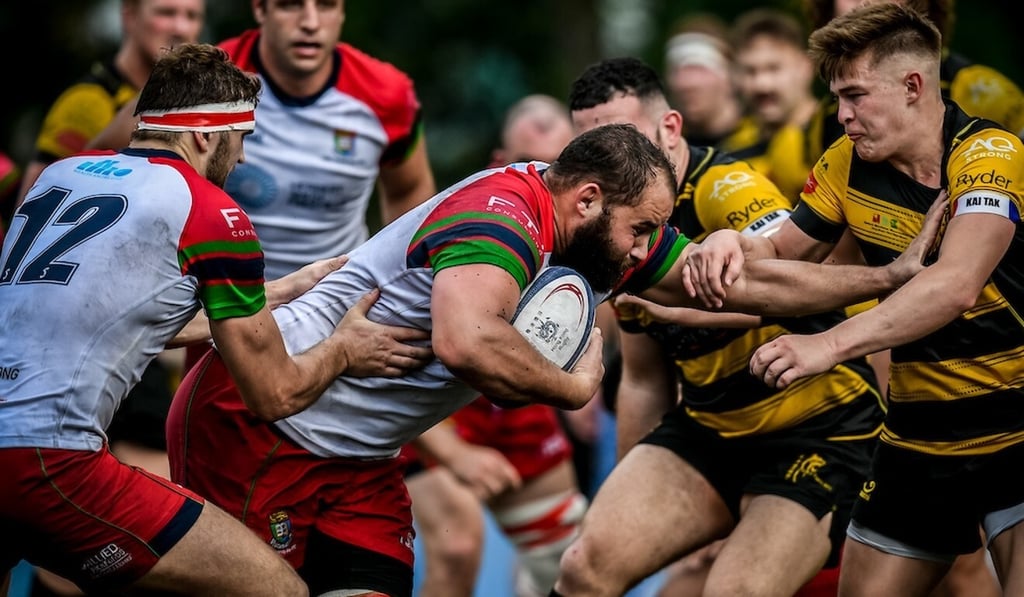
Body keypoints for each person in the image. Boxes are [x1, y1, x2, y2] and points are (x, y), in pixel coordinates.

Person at [166, 121, 937, 597]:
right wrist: (573, 386)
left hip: (358, 458)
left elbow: (742, 279)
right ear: (591, 198)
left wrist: (885, 277)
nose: (646, 251)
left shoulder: (593, 233)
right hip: (261, 419)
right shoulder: (500, 217)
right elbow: (466, 339)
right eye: (642, 231)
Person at [0, 42, 434, 596]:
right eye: (242, 139)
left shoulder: (59, 178)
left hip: (14, 446)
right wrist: (344, 349)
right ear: (205, 135)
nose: (244, 158)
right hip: (46, 461)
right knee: (277, 588)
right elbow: (272, 394)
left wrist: (277, 292)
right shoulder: (210, 210)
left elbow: (111, 321)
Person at [683, 4, 1024, 595]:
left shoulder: (988, 153)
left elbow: (955, 283)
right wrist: (728, 241)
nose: (841, 115)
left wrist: (827, 345)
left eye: (856, 96)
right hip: (919, 434)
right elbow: (784, 254)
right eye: (836, 97)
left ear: (914, 86)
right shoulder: (844, 163)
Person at [553, 56, 883, 597]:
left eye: (627, 138)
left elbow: (792, 273)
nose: (611, 167)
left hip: (820, 429)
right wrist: (630, 491)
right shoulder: (610, 225)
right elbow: (642, 380)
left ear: (670, 128)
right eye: (593, 150)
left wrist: (671, 304)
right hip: (709, 430)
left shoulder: (724, 186)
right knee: (585, 566)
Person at [405, 93, 596, 597]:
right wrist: (455, 453)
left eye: (561, 163)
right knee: (458, 543)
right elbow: (452, 343)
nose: (546, 179)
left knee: (572, 550)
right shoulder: (487, 212)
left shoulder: (590, 217)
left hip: (513, 392)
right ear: (501, 160)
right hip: (434, 399)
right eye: (532, 161)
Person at [728, 8, 820, 202]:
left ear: (805, 66)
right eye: (750, 71)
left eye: (774, 68)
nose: (762, 84)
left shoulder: (838, 134)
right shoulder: (731, 153)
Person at [662, 13, 756, 151]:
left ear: (731, 76)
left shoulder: (764, 142)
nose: (687, 83)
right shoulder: (664, 151)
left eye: (700, 69)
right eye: (677, 71)